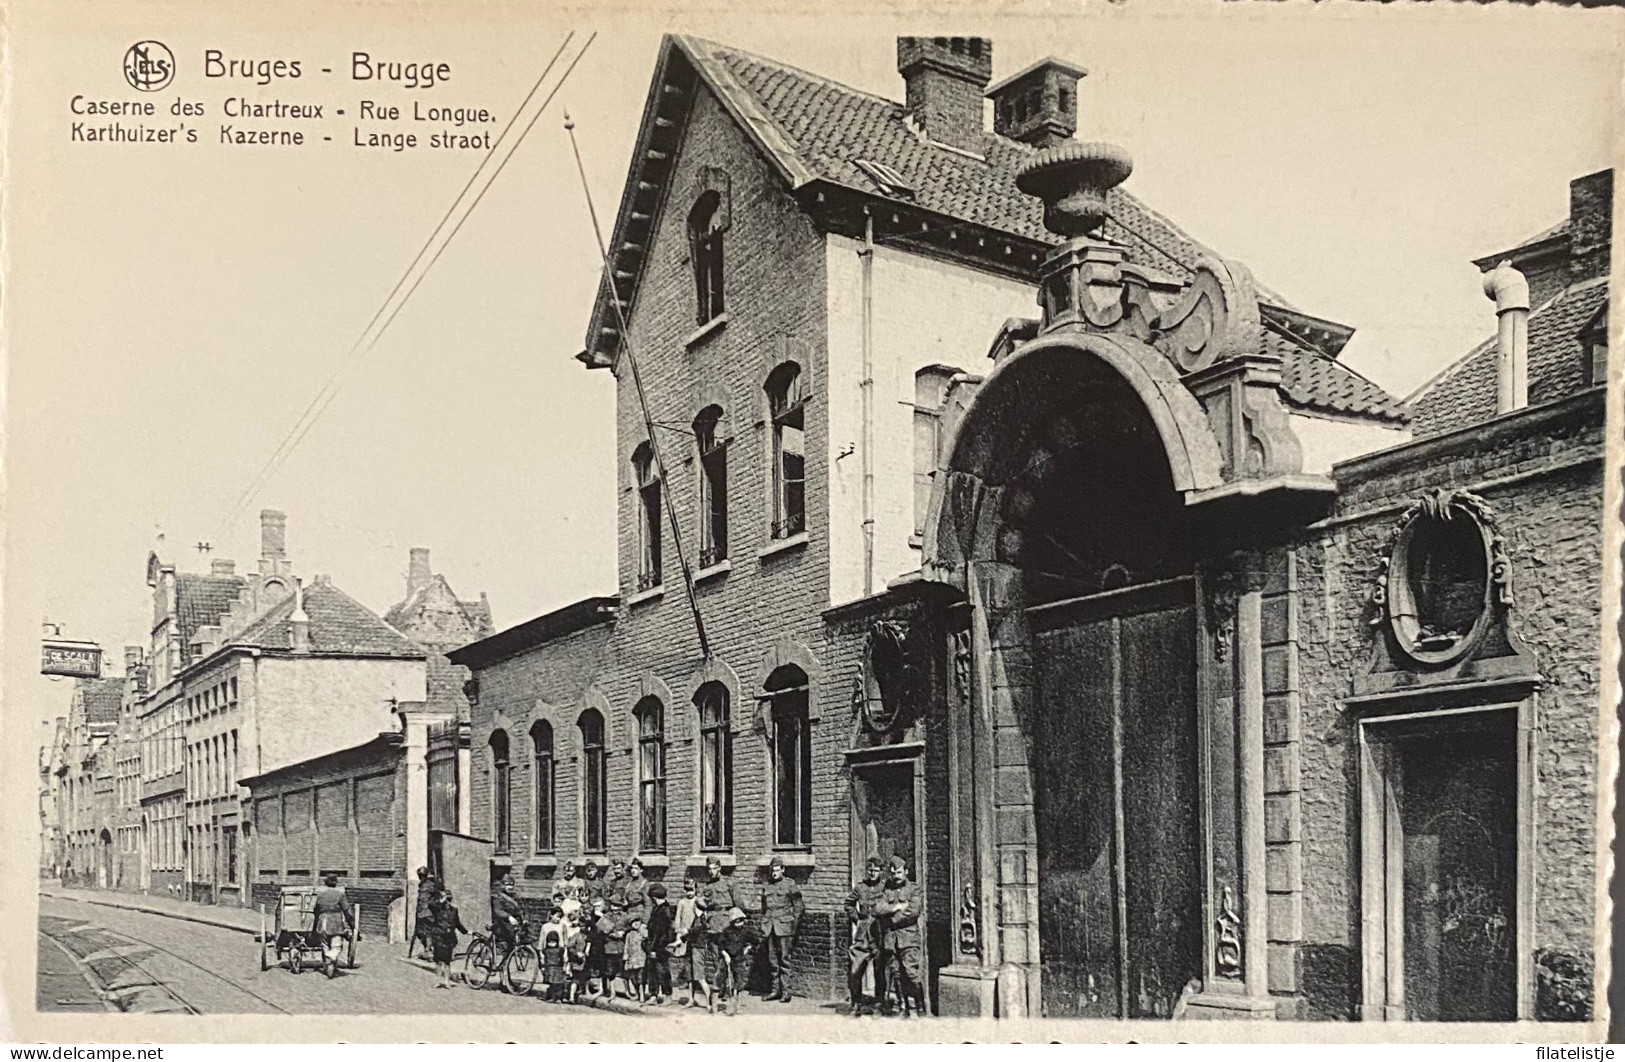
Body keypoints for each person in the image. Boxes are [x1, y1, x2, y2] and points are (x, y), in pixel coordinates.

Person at [875, 854, 926, 1017]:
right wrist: (897, 906)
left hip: (909, 938)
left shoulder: (913, 889)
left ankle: (919, 1006)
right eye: (893, 873)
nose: (895, 876)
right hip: (891, 939)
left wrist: (892, 919)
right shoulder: (886, 889)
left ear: (906, 872)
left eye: (898, 873)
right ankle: (903, 1006)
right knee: (896, 973)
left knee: (911, 973)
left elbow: (913, 911)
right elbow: (878, 909)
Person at [696, 856, 741, 1010]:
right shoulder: (707, 886)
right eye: (709, 869)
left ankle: (731, 991)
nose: (711, 871)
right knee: (716, 959)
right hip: (713, 926)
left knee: (730, 958)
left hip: (727, 926)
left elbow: (738, 905)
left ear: (719, 868)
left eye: (714, 868)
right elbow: (703, 905)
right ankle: (720, 988)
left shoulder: (729, 883)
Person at [845, 856, 887, 1015]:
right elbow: (848, 904)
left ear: (881, 872)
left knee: (880, 970)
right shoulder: (860, 888)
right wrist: (858, 920)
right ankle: (856, 1003)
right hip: (863, 934)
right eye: (870, 870)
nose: (872, 873)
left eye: (876, 870)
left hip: (879, 934)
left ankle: (879, 1002)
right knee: (856, 969)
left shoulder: (885, 888)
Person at [759, 856, 804, 1002]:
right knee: (772, 960)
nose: (774, 873)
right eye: (772, 871)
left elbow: (799, 907)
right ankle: (774, 990)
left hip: (785, 927)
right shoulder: (766, 886)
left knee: (785, 960)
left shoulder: (790, 885)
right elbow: (763, 907)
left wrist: (793, 926)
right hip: (770, 927)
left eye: (777, 870)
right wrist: (763, 924)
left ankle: (786, 991)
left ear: (783, 870)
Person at [710, 907, 758, 1016]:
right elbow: (720, 945)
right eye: (737, 921)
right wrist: (725, 955)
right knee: (719, 980)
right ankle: (714, 1005)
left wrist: (747, 948)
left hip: (739, 959)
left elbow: (755, 940)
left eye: (741, 920)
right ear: (732, 921)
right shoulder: (727, 931)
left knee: (738, 982)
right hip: (726, 959)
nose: (739, 923)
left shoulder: (746, 932)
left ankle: (736, 1006)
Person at [672, 877, 703, 1006]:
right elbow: (678, 919)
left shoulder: (698, 902)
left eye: (691, 890)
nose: (689, 893)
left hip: (694, 937)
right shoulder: (682, 902)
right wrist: (678, 935)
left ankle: (695, 994)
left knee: (694, 965)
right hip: (684, 937)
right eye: (687, 890)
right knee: (686, 964)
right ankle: (690, 995)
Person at [312, 873, 354, 969]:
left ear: (326, 883)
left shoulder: (320, 895)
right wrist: (351, 923)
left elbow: (315, 910)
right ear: (335, 883)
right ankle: (331, 955)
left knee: (324, 943)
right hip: (336, 921)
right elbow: (347, 910)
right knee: (337, 944)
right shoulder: (340, 895)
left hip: (323, 921)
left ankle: (327, 955)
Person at [429, 888, 469, 989]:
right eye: (445, 899)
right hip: (438, 936)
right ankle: (438, 980)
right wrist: (440, 900)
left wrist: (466, 932)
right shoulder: (438, 908)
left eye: (448, 899)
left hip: (449, 937)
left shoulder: (454, 910)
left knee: (447, 961)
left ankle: (446, 981)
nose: (447, 902)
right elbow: (430, 905)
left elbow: (457, 923)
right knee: (438, 960)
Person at [643, 882, 675, 1005]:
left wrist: (654, 948)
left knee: (663, 971)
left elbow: (662, 932)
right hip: (654, 944)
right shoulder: (658, 909)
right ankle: (653, 994)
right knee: (652, 970)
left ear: (653, 897)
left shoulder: (664, 911)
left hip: (660, 946)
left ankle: (668, 995)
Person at [409, 865, 441, 960]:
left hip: (428, 913)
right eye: (419, 875)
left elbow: (436, 895)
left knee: (428, 933)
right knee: (419, 933)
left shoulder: (430, 885)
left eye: (422, 875)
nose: (420, 877)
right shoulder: (421, 885)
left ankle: (429, 951)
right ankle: (429, 949)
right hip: (421, 913)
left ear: (425, 875)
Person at [490, 876, 524, 958]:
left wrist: (524, 918)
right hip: (501, 924)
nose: (510, 887)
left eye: (511, 885)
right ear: (503, 885)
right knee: (505, 943)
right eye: (507, 884)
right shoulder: (499, 897)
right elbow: (498, 911)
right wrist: (509, 917)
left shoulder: (515, 897)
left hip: (512, 925)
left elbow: (520, 909)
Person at [623, 915, 648, 1002]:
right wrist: (625, 956)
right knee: (633, 977)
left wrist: (643, 931)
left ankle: (642, 994)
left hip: (641, 957)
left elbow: (647, 940)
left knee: (640, 977)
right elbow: (626, 945)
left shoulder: (643, 932)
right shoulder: (629, 934)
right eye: (633, 922)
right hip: (632, 958)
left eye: (637, 921)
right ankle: (637, 993)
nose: (636, 924)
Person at [541, 927, 569, 1002]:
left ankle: (559, 998)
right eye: (550, 942)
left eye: (553, 942)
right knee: (552, 985)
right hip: (550, 969)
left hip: (558, 968)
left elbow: (564, 958)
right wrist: (543, 966)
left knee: (559, 985)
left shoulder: (560, 950)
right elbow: (543, 959)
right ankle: (552, 997)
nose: (551, 944)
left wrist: (565, 966)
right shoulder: (546, 950)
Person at [622, 857, 650, 922]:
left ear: (641, 870)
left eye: (636, 868)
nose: (633, 870)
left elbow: (648, 905)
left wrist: (644, 922)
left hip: (639, 914)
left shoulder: (644, 884)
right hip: (628, 912)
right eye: (632, 868)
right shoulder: (629, 884)